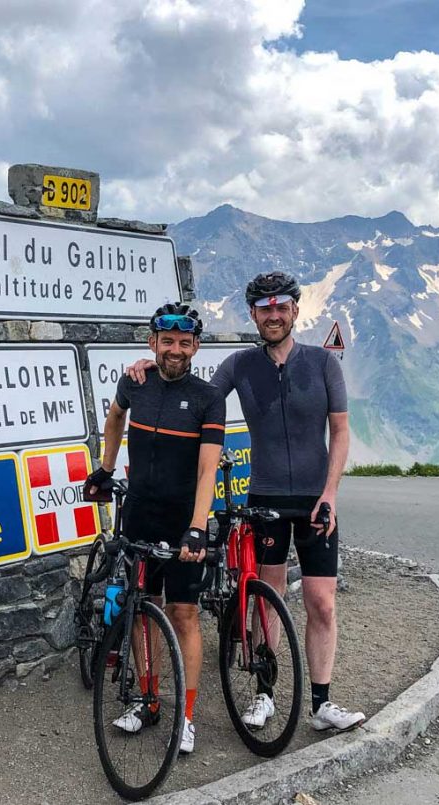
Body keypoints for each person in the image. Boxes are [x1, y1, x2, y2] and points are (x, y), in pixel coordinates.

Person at [127, 272, 365, 733]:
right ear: (254, 315)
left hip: (317, 500)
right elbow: (194, 395)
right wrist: (152, 366)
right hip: (266, 498)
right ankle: (264, 693)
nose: (273, 315)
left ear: (295, 311)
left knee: (322, 602)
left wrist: (331, 494)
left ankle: (321, 703)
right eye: (264, 309)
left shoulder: (322, 364)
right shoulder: (239, 365)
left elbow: (339, 430)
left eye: (281, 307)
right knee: (267, 597)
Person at [84, 302, 226, 755]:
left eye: (185, 343)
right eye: (168, 342)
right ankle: (148, 702)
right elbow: (114, 417)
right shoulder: (135, 381)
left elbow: (208, 472)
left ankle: (185, 716)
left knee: (183, 614)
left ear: (196, 347)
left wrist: (198, 529)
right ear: (153, 343)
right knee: (144, 609)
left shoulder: (208, 398)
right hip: (141, 515)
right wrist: (104, 470)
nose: (176, 350)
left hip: (184, 521)